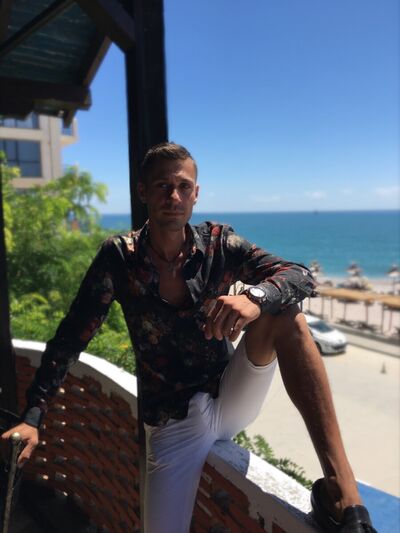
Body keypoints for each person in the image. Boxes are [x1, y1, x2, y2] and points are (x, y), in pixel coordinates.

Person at [2, 143, 375, 533]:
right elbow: (69, 338)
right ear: (142, 191)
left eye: (183, 186)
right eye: (162, 186)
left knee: (287, 315)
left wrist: (255, 297)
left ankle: (342, 491)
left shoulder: (218, 244)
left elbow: (300, 275)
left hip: (229, 396)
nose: (174, 196)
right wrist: (32, 418)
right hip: (171, 424)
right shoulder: (119, 257)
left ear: (196, 194)